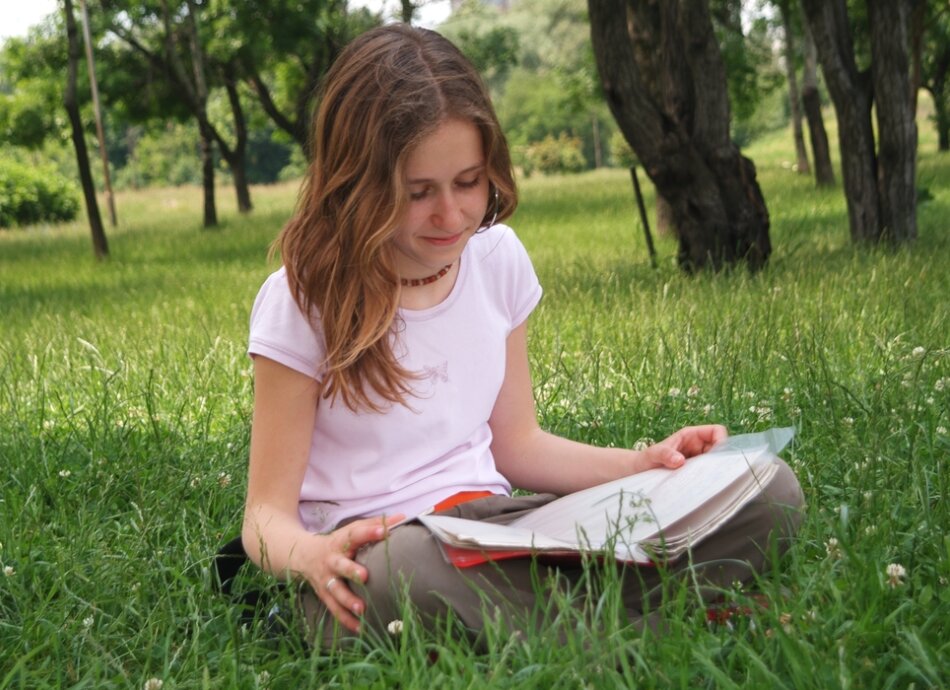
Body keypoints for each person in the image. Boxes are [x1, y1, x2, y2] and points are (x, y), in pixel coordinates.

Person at [242, 23, 803, 647]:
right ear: (357, 184)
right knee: (408, 578)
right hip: (385, 552)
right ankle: (651, 616)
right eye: (417, 192)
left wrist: (645, 465)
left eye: (468, 182)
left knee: (765, 488)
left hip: (508, 525)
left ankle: (582, 620)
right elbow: (264, 519)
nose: (451, 215)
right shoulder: (302, 299)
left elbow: (518, 446)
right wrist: (313, 558)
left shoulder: (496, 258)